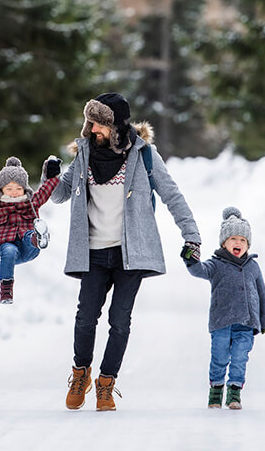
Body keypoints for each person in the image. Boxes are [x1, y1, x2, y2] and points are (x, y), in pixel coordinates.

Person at [51, 92, 202, 411]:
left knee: (119, 321)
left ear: (115, 125)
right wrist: (49, 177)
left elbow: (172, 195)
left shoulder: (144, 155)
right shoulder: (84, 154)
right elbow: (59, 194)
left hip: (129, 254)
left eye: (98, 125)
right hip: (92, 251)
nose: (92, 130)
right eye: (90, 123)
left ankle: (106, 384)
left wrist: (191, 235)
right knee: (85, 318)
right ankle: (81, 374)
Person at [181, 206, 265, 410]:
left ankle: (234, 394)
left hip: (246, 323)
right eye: (233, 239)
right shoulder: (216, 264)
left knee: (240, 358)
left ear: (248, 244)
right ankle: (215, 391)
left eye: (242, 240)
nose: (238, 243)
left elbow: (262, 294)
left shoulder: (253, 266)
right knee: (219, 358)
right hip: (221, 322)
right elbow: (199, 271)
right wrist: (190, 259)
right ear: (224, 243)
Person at [0, 153, 62, 304]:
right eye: (9, 188)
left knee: (28, 235)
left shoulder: (31, 203)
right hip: (8, 249)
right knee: (9, 249)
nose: (14, 193)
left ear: (24, 189)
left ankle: (38, 238)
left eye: (19, 188)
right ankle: (6, 291)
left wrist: (53, 173)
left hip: (29, 248)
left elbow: (46, 190)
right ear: (2, 189)